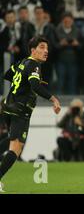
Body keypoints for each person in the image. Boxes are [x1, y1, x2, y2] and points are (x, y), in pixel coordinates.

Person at [0, 36, 61, 192]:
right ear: (33, 50)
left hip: (8, 108)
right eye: (41, 47)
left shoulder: (22, 62)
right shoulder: (33, 65)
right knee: (16, 148)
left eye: (46, 48)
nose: (45, 51)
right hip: (21, 111)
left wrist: (21, 84)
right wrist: (53, 99)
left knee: (11, 140)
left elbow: (7, 74)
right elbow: (35, 86)